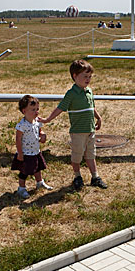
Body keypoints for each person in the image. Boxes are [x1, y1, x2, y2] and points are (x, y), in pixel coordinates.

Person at [40, 59, 108, 190]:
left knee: (91, 155)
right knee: (77, 156)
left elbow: (91, 107)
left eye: (89, 77)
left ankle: (95, 177)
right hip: (78, 132)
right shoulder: (71, 94)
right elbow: (60, 108)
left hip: (90, 130)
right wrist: (48, 119)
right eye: (85, 76)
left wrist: (98, 118)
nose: (88, 79)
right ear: (75, 76)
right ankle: (77, 176)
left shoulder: (89, 91)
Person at [11, 95, 52, 198]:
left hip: (35, 151)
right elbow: (18, 139)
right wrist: (20, 153)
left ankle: (40, 182)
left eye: (37, 109)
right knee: (24, 171)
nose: (36, 112)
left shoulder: (37, 121)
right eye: (33, 110)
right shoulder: (22, 125)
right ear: (24, 111)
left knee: (38, 168)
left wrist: (42, 135)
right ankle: (21, 188)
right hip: (26, 153)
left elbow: (39, 131)